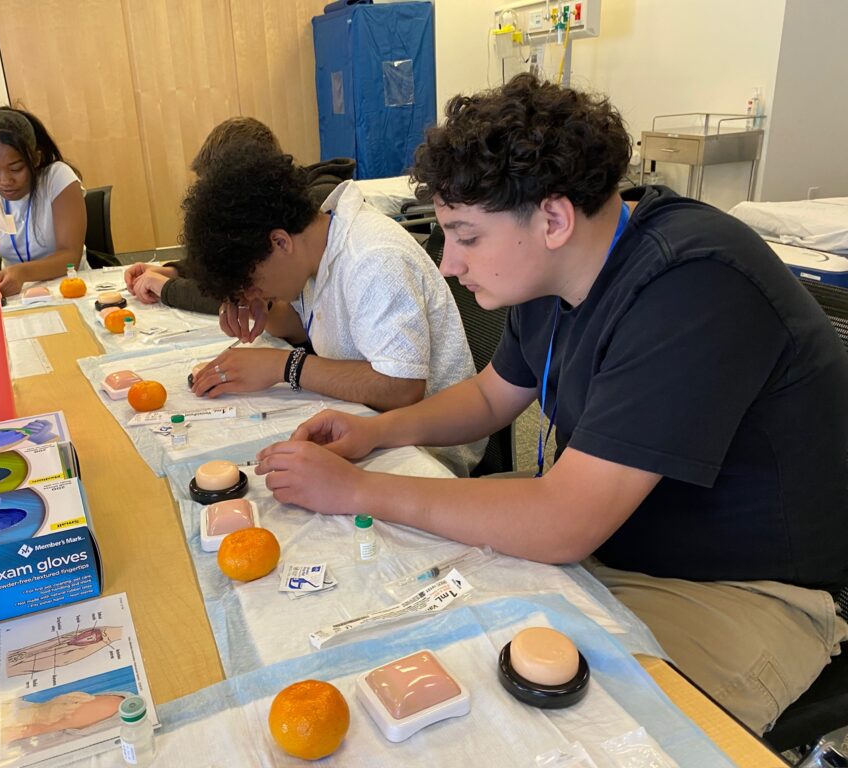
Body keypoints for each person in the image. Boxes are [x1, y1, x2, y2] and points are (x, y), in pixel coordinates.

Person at [254, 74, 848, 734]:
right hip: (612, 541)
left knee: (550, 726)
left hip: (737, 588)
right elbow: (491, 396)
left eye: (466, 236)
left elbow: (564, 520)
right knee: (401, 593)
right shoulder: (555, 271)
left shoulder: (693, 284)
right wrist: (375, 434)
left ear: (554, 219)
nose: (449, 264)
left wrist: (358, 489)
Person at [182, 144, 482, 475]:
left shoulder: (372, 258)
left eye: (252, 282)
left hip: (429, 450)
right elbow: (305, 323)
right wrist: (259, 304)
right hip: (369, 422)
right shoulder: (316, 247)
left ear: (280, 242)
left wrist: (283, 366)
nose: (253, 292)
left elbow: (401, 388)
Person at [125, 116, 355, 313]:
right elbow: (242, 262)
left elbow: (259, 284)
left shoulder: (315, 207)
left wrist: (167, 288)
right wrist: (176, 270)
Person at [0, 107, 86, 297]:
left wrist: (22, 273)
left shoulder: (57, 178)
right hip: (14, 292)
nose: (5, 180)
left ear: (35, 159)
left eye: (16, 168)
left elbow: (70, 256)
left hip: (68, 286)